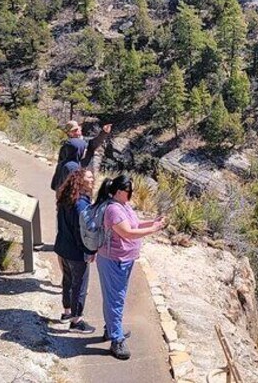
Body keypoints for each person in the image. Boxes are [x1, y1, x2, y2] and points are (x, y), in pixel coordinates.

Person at [95, 174, 165, 360]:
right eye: (129, 191)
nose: (132, 194)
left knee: (116, 297)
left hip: (123, 260)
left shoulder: (123, 206)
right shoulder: (113, 210)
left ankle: (111, 329)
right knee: (115, 299)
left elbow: (134, 225)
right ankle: (116, 339)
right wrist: (153, 230)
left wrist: (152, 222)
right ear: (119, 192)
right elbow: (128, 233)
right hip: (114, 260)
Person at [54, 168, 96, 333]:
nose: (92, 179)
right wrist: (89, 250)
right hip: (76, 252)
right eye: (89, 177)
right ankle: (77, 321)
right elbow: (82, 231)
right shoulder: (81, 204)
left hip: (63, 247)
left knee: (68, 280)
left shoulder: (66, 198)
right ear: (80, 180)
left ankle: (67, 312)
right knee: (80, 285)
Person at [50, 120, 112, 192]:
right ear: (68, 133)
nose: (76, 132)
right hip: (68, 181)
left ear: (80, 128)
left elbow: (96, 141)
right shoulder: (67, 146)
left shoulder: (87, 143)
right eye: (73, 131)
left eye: (77, 129)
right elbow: (61, 164)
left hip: (85, 180)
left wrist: (104, 133)